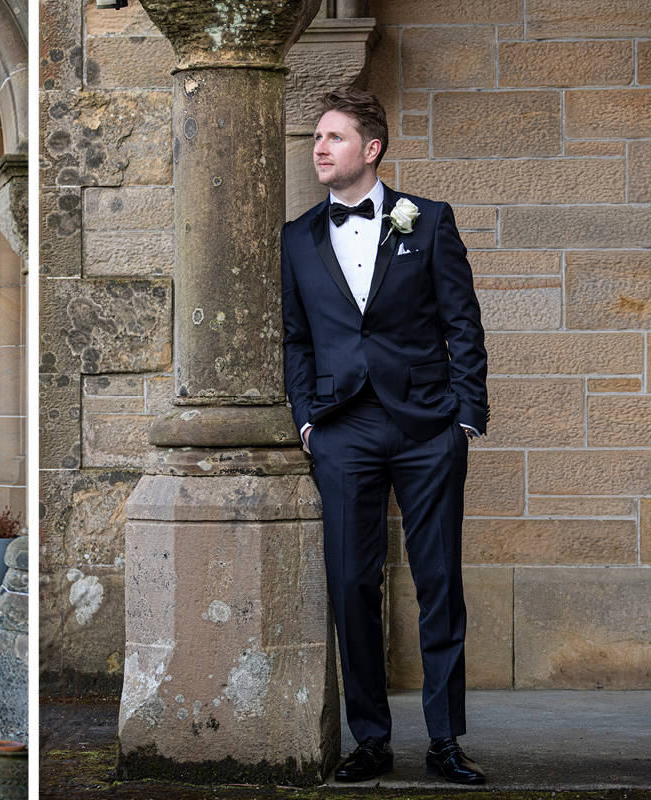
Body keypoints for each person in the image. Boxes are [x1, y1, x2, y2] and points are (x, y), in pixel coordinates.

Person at [279, 89, 489, 785]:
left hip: (428, 427)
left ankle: (444, 741)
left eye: (333, 137)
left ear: (370, 149)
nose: (318, 147)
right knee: (350, 584)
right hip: (342, 430)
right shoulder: (298, 236)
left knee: (438, 583)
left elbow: (463, 323)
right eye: (316, 137)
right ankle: (369, 739)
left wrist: (466, 415)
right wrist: (307, 419)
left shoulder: (427, 222)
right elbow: (296, 338)